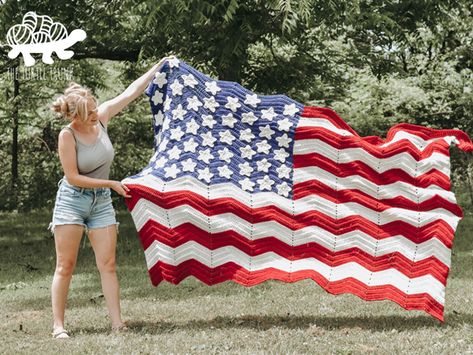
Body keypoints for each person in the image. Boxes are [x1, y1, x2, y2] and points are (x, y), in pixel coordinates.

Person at [48, 56, 174, 339]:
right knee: (65, 265)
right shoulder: (67, 136)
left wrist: (159, 67)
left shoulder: (102, 118)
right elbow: (72, 176)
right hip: (73, 200)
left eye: (94, 109)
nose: (94, 115)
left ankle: (118, 324)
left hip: (101, 202)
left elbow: (130, 92)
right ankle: (58, 326)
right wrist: (112, 183)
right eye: (88, 113)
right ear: (74, 117)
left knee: (108, 264)